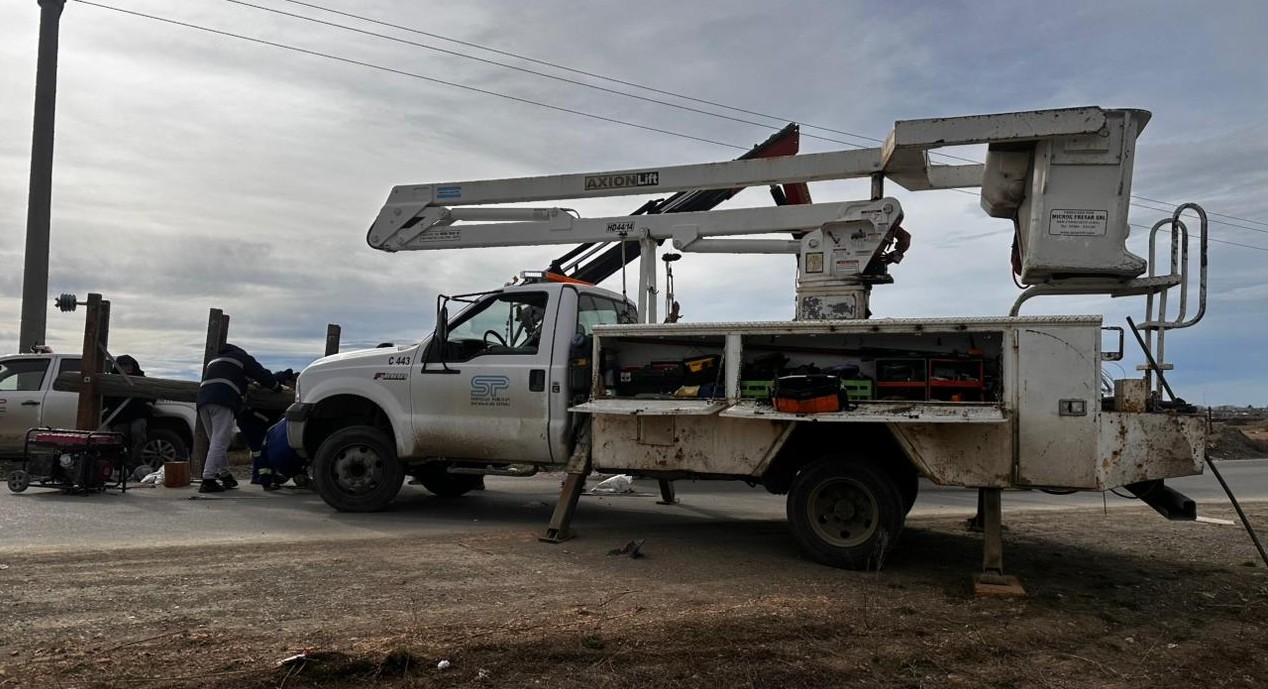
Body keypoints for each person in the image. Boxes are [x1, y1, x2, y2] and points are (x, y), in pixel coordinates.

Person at [196, 344, 281, 493]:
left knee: (215, 441)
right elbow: (262, 375)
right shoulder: (242, 358)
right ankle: (208, 480)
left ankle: (225, 475)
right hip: (223, 399)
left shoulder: (216, 360)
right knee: (220, 442)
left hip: (203, 401)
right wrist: (276, 387)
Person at [101, 354, 155, 468]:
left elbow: (151, 393)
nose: (129, 367)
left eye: (130, 364)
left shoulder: (141, 378)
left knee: (138, 433)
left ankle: (135, 462)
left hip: (138, 412)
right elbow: (106, 398)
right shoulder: (112, 380)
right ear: (119, 366)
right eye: (125, 365)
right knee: (120, 436)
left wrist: (149, 404)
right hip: (119, 415)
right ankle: (121, 463)